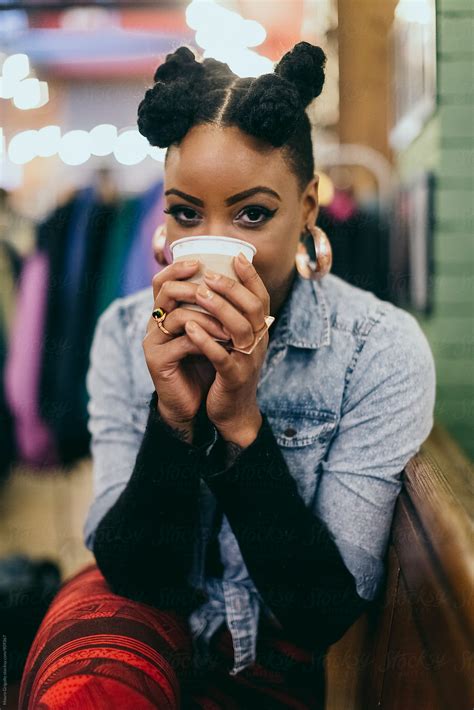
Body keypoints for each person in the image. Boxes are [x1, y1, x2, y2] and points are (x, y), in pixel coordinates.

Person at [19, 42, 436, 709]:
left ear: (306, 210)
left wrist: (240, 424)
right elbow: (130, 573)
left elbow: (321, 613)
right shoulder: (126, 333)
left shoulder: (376, 349)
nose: (215, 243)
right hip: (147, 612)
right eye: (186, 213)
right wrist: (175, 417)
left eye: (252, 214)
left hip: (272, 636)